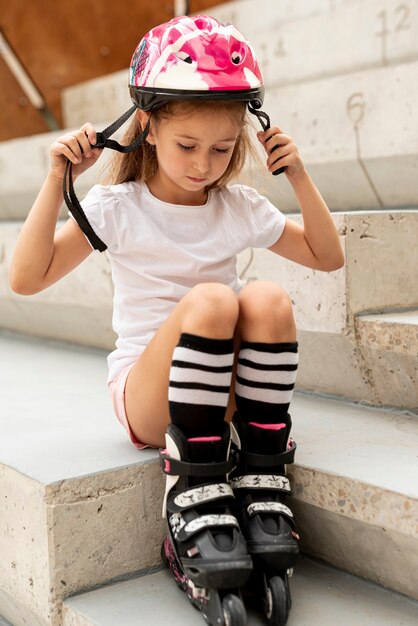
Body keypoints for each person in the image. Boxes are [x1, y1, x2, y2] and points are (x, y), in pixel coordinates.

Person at [10, 15, 344, 625]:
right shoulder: (119, 208)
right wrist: (59, 179)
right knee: (214, 300)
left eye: (222, 149)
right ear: (149, 129)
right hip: (149, 399)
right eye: (187, 146)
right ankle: (190, 483)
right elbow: (26, 279)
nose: (204, 165)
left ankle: (263, 469)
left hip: (223, 396)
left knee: (266, 299)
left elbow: (328, 256)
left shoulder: (237, 206)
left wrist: (297, 173)